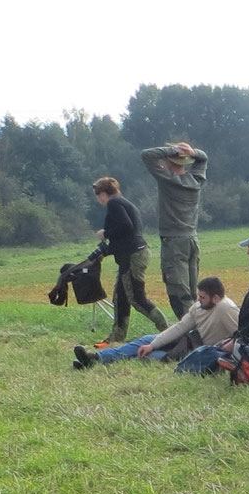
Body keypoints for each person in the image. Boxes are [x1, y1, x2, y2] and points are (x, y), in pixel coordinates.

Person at [73, 276, 235, 368]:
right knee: (145, 342)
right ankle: (95, 358)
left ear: (215, 298)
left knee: (150, 356)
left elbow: (241, 334)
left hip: (196, 351)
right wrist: (154, 343)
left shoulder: (225, 308)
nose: (198, 300)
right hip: (185, 340)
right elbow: (180, 327)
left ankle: (97, 364)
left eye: (202, 297)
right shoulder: (199, 306)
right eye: (198, 296)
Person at [90, 176, 168, 343]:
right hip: (132, 254)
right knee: (121, 297)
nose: (98, 199)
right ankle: (116, 338)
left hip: (133, 256)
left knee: (137, 299)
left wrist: (106, 234)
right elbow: (126, 236)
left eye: (98, 194)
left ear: (103, 193)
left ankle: (167, 331)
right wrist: (107, 251)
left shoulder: (114, 204)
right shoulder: (123, 202)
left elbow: (126, 227)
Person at [140, 141, 208, 319]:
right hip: (192, 240)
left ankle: (189, 333)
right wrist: (193, 152)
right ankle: (200, 328)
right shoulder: (196, 181)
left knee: (179, 292)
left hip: (173, 243)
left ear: (170, 162)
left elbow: (147, 155)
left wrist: (173, 150)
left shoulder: (169, 180)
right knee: (193, 292)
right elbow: (203, 159)